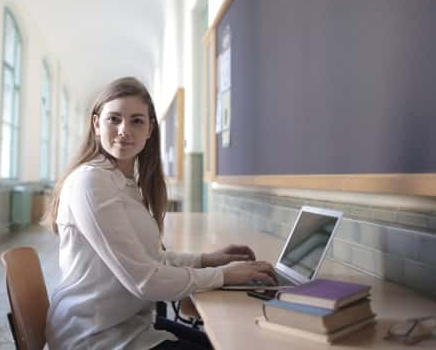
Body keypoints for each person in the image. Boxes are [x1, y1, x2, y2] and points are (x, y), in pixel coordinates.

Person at [44, 77, 277, 349]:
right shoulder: (90, 182)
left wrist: (207, 260)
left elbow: (147, 259)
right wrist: (226, 275)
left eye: (136, 121)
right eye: (114, 119)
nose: (124, 130)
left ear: (150, 129)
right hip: (94, 337)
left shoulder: (125, 183)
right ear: (97, 124)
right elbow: (144, 281)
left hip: (128, 325)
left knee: (225, 341)